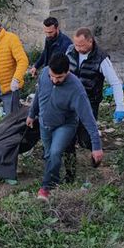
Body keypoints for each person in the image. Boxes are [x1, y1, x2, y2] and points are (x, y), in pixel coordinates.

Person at [26, 53, 103, 201]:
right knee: (49, 155)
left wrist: (96, 146)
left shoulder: (76, 89)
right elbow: (38, 94)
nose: (54, 80)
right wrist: (31, 114)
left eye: (59, 78)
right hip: (44, 123)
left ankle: (45, 188)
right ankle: (55, 182)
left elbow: (88, 118)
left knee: (55, 153)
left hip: (65, 125)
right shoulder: (44, 74)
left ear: (67, 72)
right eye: (52, 76)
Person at [64, 27, 124, 182]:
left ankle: (95, 155)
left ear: (90, 41)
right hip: (70, 104)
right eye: (76, 45)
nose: (78, 49)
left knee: (85, 139)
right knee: (68, 139)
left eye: (81, 46)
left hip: (89, 104)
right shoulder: (70, 51)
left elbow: (115, 83)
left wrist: (120, 106)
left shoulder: (101, 58)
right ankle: (70, 175)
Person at [0, 14, 29, 127]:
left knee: (11, 123)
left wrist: (16, 79)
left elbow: (23, 60)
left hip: (9, 90)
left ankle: (12, 143)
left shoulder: (11, 39)